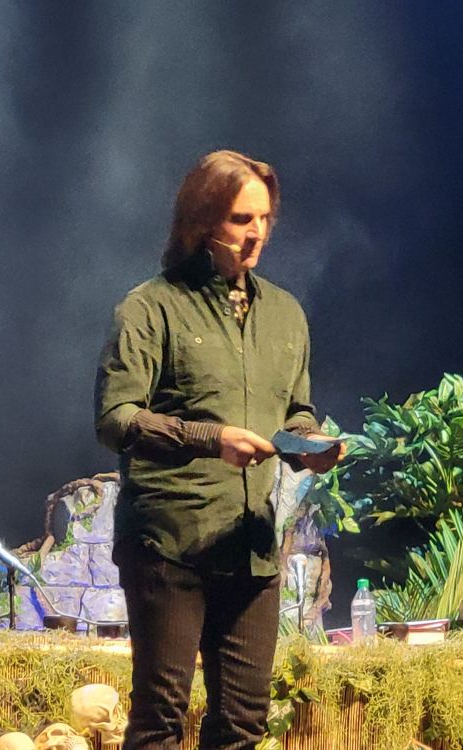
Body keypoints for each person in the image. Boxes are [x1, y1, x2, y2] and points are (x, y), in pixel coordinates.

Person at [95, 149, 344, 750]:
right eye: (240, 219)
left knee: (242, 724)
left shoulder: (285, 314)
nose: (255, 232)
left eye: (264, 218)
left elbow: (296, 409)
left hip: (253, 545)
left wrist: (308, 446)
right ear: (202, 221)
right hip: (170, 542)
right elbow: (114, 417)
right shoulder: (151, 307)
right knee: (161, 716)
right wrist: (210, 438)